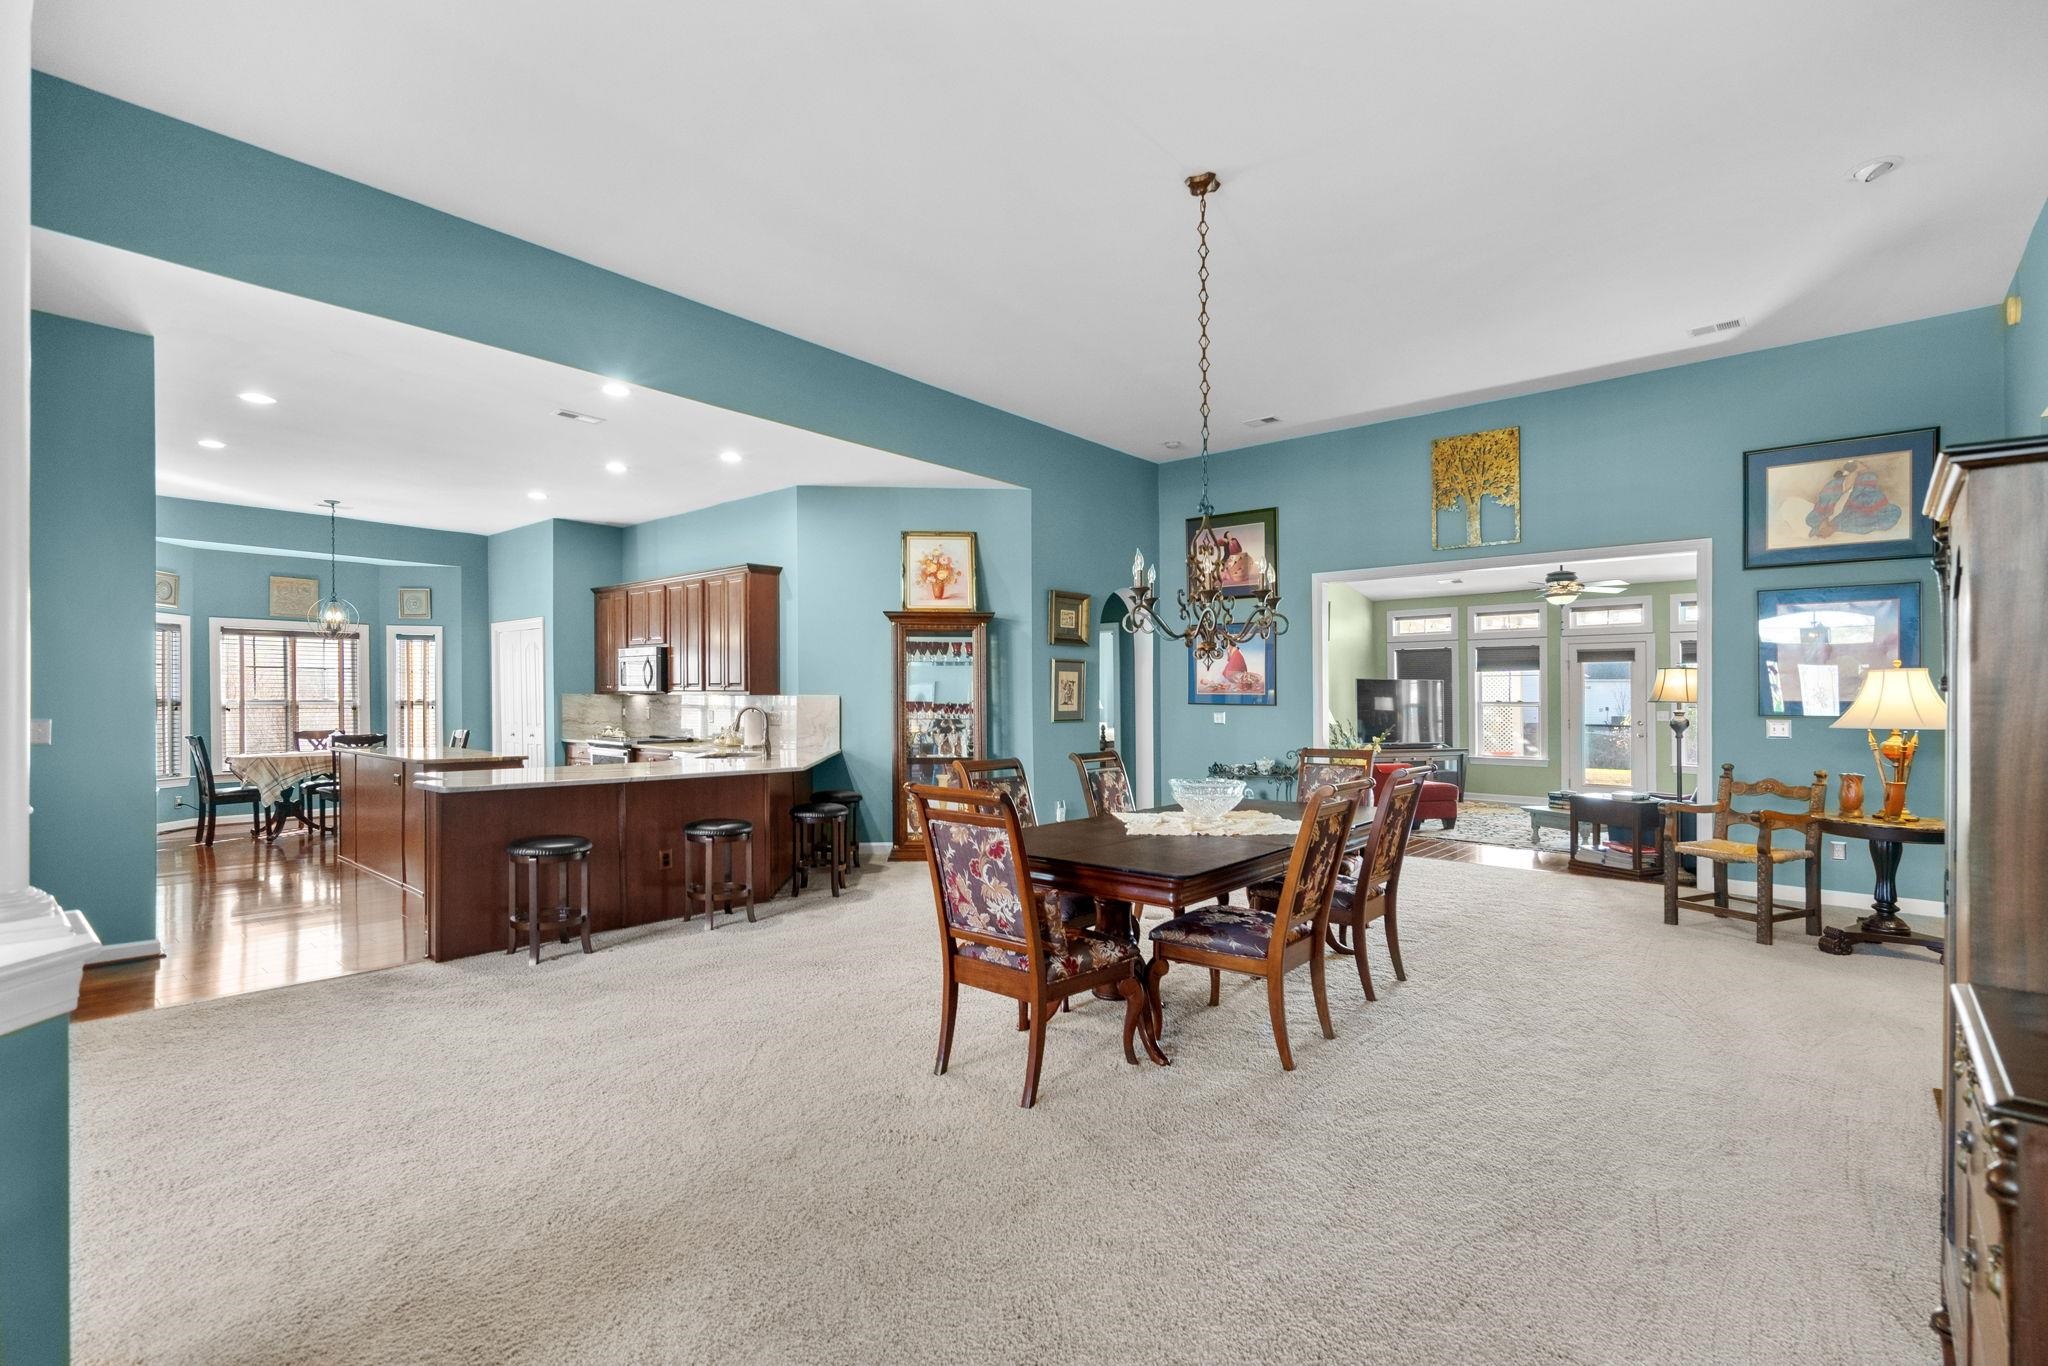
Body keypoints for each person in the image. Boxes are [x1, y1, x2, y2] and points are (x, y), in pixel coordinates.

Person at [1806, 459, 1902, 539]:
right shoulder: (1834, 484)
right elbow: (1824, 504)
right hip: (1837, 512)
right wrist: (1824, 522)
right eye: (1860, 464)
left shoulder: (1866, 479)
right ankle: (1826, 526)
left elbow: (1872, 497)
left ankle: (1830, 526)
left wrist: (1834, 526)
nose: (1864, 465)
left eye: (1862, 465)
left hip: (1855, 511)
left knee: (1891, 513)